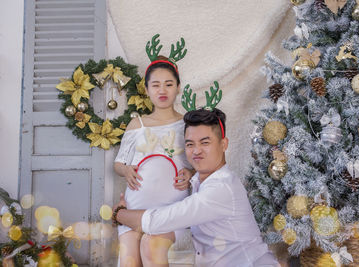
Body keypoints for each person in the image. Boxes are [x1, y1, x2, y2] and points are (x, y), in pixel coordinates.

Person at [113, 107, 280, 266]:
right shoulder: (200, 182)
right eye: (190, 144)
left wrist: (118, 214)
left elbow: (156, 221)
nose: (196, 151)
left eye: (205, 143)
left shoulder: (221, 189)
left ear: (224, 144)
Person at [114, 50, 194, 266]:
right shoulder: (137, 125)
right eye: (156, 85)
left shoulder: (188, 125)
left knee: (151, 249)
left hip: (171, 210)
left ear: (178, 88)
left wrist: (190, 172)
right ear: (147, 89)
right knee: (130, 258)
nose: (162, 90)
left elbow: (199, 162)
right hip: (134, 208)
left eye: (169, 84)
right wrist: (126, 170)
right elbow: (119, 163)